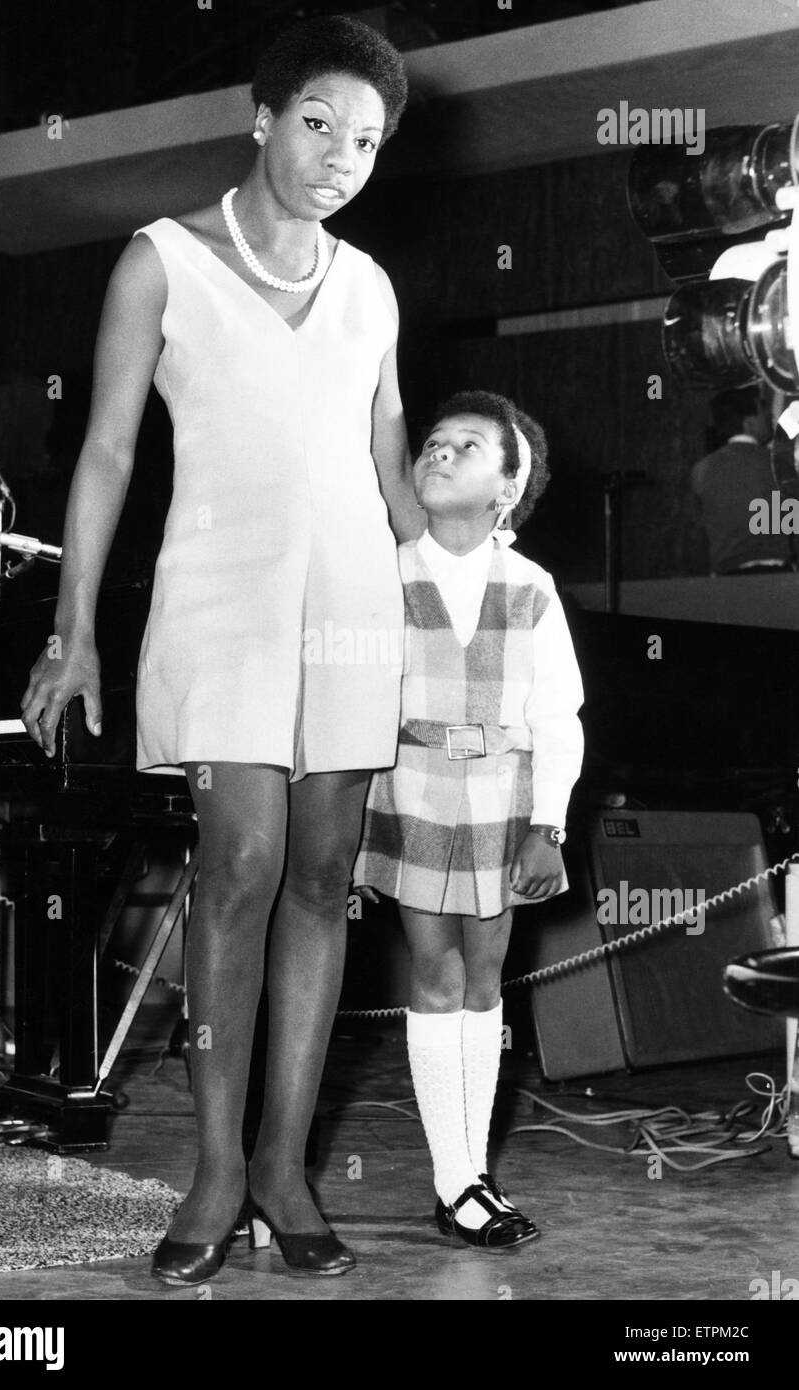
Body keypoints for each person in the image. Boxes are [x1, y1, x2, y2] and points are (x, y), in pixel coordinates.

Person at [21, 16, 423, 1283]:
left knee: (321, 877)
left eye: (365, 140)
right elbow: (106, 452)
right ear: (261, 118)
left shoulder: (368, 287)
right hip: (219, 599)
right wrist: (73, 631)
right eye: (319, 123)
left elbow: (390, 464)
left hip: (356, 605)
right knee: (238, 863)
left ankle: (286, 1170)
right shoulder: (160, 261)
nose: (340, 155)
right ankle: (209, 1171)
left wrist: (463, 611)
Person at [354, 390, 584, 1249]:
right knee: (435, 974)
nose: (440, 453)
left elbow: (559, 714)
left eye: (468, 447)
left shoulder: (532, 588)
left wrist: (548, 825)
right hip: (411, 784)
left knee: (484, 982)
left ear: (507, 489)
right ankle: (456, 1183)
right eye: (434, 443)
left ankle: (470, 1174)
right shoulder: (386, 571)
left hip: (504, 795)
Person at [691, 386, 795, 575]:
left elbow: (701, 531)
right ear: (749, 423)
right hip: (777, 577)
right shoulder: (779, 465)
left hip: (726, 581)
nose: (770, 418)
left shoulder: (700, 471)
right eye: (763, 412)